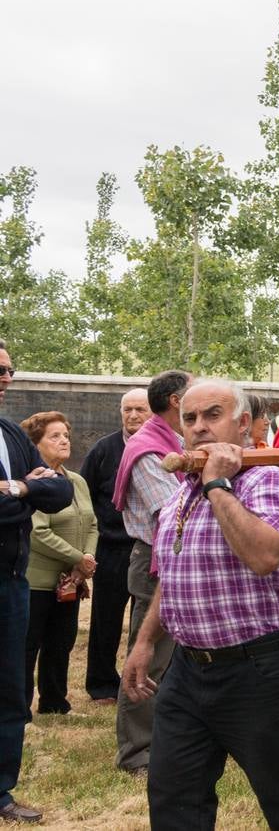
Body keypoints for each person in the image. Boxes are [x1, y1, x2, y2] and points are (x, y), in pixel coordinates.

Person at [121, 379, 279, 827]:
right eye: (190, 419)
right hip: (188, 673)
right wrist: (145, 641)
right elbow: (173, 576)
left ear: (244, 424)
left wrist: (217, 485)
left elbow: (264, 555)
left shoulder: (268, 480)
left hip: (260, 671)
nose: (199, 428)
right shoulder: (180, 494)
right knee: (173, 794)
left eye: (213, 415)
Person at [0, 340, 75, 825]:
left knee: (9, 690)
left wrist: (20, 488)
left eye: (8, 369)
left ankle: (1, 792)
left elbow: (60, 490)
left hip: (11, 584)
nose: (6, 377)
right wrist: (26, 496)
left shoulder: (9, 432)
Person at [112, 369, 189, 776]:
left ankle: (169, 741)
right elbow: (173, 510)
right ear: (177, 400)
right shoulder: (147, 450)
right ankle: (137, 752)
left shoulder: (173, 441)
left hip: (180, 556)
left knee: (178, 659)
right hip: (157, 562)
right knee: (149, 657)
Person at [21, 412, 97, 718]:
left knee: (61, 642)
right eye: (54, 436)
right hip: (36, 580)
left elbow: (92, 524)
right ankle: (18, 708)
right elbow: (38, 532)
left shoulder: (76, 481)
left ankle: (54, 703)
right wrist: (78, 558)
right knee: (27, 646)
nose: (64, 440)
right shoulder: (32, 482)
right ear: (36, 444)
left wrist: (85, 562)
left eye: (65, 435)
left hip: (71, 581)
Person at [81, 388, 150, 704]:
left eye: (140, 409)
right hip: (111, 548)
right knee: (105, 620)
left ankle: (139, 682)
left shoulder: (157, 449)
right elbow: (85, 496)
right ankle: (101, 684)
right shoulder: (104, 450)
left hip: (147, 547)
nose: (133, 415)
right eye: (128, 409)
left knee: (144, 621)